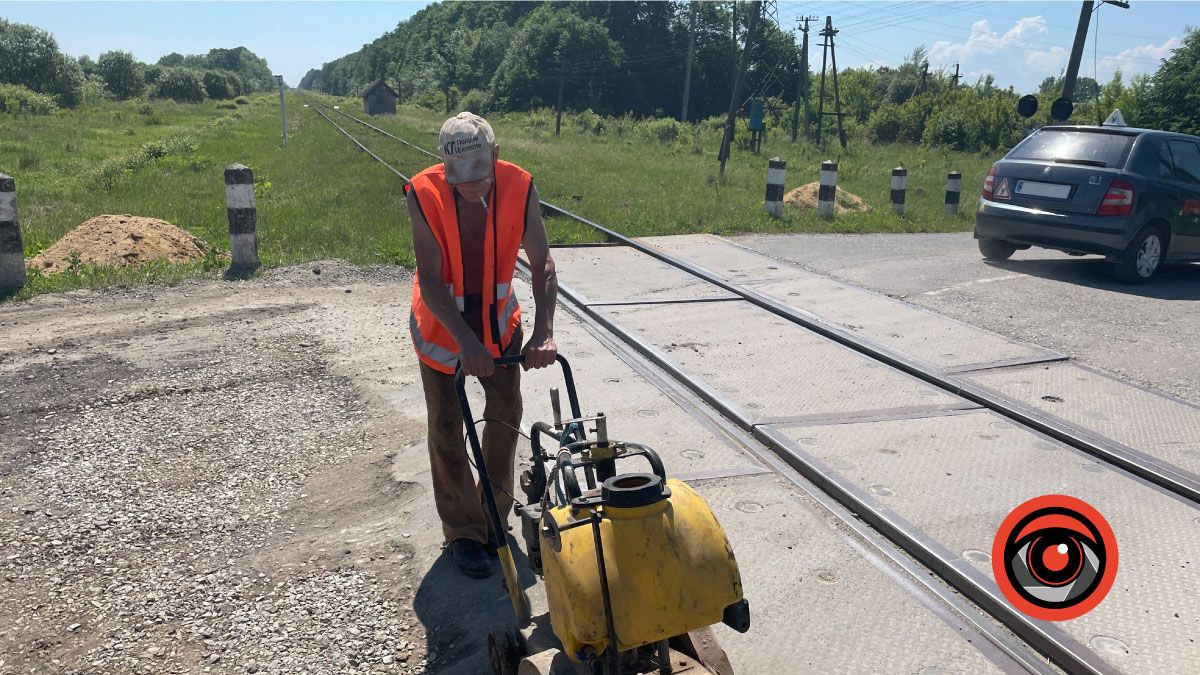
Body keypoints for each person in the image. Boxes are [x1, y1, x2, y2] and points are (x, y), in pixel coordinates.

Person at [405, 112, 558, 579]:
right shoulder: (423, 193)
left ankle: (494, 516)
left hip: (498, 325)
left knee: (505, 416)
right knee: (448, 430)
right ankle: (464, 532)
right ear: (444, 163)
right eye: (461, 180)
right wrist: (466, 344)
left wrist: (544, 331)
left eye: (480, 177)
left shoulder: (519, 186)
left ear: (495, 155)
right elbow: (431, 280)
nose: (472, 188)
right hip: (442, 330)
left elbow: (543, 262)